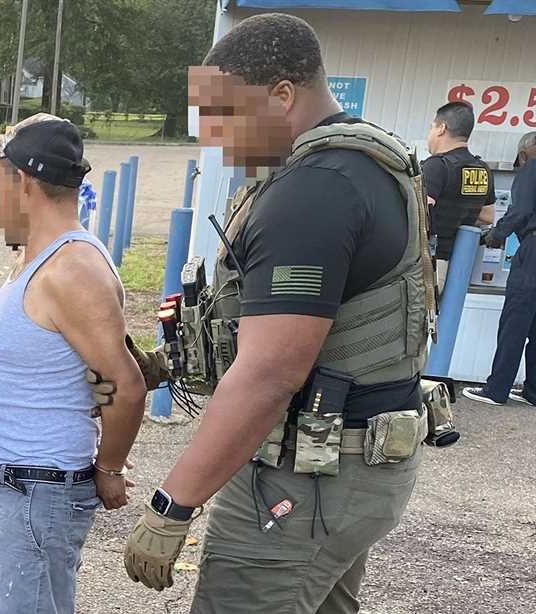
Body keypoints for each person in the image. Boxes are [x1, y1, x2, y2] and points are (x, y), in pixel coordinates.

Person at [123, 14, 433, 614]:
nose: (216, 139)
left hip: (305, 475)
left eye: (225, 116)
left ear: (282, 95)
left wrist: (173, 504)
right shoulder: (356, 164)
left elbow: (271, 373)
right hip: (336, 470)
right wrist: (167, 362)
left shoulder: (317, 188)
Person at [0, 114, 146, 614]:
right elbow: (92, 372)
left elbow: (123, 384)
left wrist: (108, 467)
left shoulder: (72, 270)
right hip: (14, 483)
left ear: (21, 181)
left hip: (38, 489)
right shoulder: (38, 256)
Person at [463, 131, 536, 406]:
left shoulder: (532, 167)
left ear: (524, 153)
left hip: (532, 254)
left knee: (515, 321)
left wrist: (497, 234)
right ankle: (533, 392)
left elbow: (521, 211)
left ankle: (496, 390)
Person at [423, 101, 496, 291]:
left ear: (441, 128)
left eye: (431, 127)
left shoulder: (436, 165)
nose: (429, 134)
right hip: (459, 265)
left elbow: (422, 212)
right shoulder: (483, 169)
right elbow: (488, 217)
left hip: (428, 264)